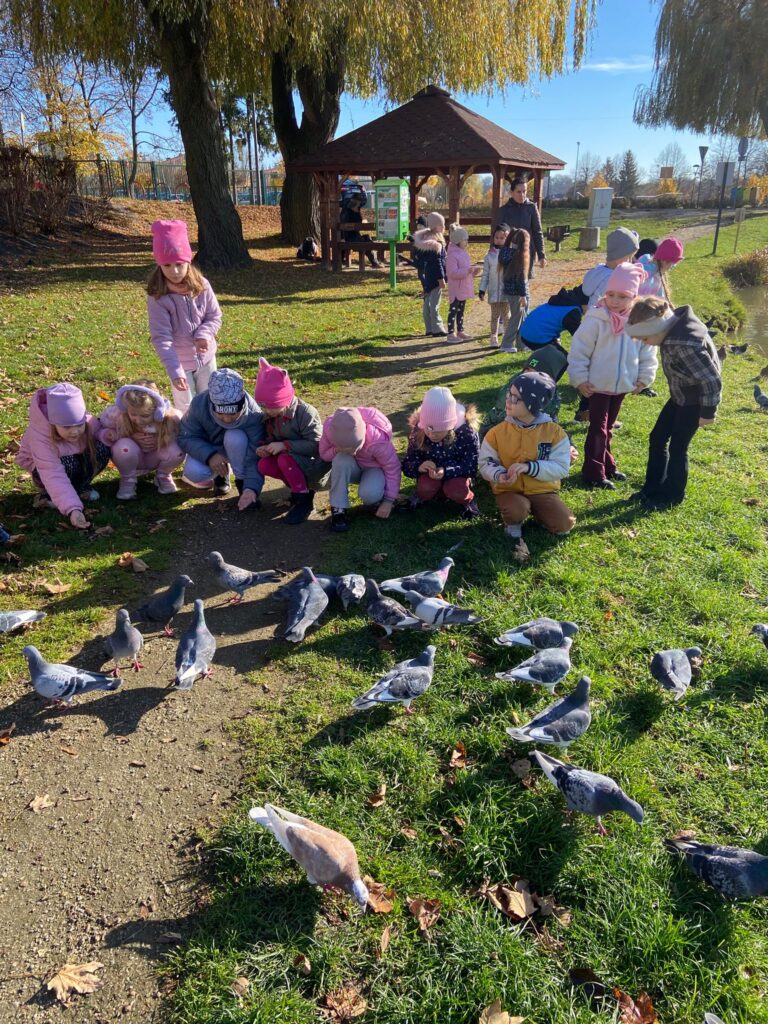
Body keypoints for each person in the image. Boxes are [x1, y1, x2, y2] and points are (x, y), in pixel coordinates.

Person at [626, 297, 722, 511]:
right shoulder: (672, 324)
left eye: (644, 338)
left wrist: (708, 411)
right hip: (680, 394)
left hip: (694, 401)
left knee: (679, 447)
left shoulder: (684, 344)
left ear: (657, 328)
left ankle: (671, 495)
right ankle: (652, 488)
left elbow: (711, 379)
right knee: (657, 437)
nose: (644, 342)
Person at [568, 263, 657, 489]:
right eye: (611, 295)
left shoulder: (638, 322)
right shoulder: (596, 319)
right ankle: (593, 473)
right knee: (598, 427)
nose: (615, 301)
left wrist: (644, 377)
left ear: (634, 297)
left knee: (607, 427)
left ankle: (607, 464)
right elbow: (579, 350)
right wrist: (580, 378)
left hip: (622, 384)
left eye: (623, 296)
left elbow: (647, 350)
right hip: (597, 384)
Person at [478, 371, 575, 544]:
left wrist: (531, 467)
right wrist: (499, 474)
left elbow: (561, 468)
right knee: (516, 509)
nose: (508, 400)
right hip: (509, 489)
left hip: (542, 490)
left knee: (565, 525)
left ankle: (541, 513)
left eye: (515, 398)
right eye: (509, 394)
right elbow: (485, 462)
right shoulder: (497, 432)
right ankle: (513, 522)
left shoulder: (554, 432)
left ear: (533, 404)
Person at [146, 219, 222, 413]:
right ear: (159, 265)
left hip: (206, 358)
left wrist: (204, 334)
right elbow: (162, 338)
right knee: (186, 408)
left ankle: (211, 438)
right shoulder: (158, 296)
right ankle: (189, 440)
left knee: (210, 402)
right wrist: (175, 370)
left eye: (180, 264)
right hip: (179, 363)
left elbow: (214, 316)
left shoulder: (202, 285)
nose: (175, 271)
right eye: (167, 265)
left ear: (188, 261)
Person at [16, 382, 110, 530]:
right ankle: (50, 495)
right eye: (66, 427)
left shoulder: (87, 422)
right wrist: (73, 509)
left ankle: (81, 487)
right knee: (67, 463)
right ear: (54, 424)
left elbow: (100, 428)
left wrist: (107, 435)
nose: (74, 432)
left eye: (79, 425)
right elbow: (52, 473)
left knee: (102, 449)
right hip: (45, 471)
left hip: (73, 459)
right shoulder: (41, 437)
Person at [253, 358, 330, 526]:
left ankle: (304, 500)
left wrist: (285, 445)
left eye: (272, 407)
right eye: (264, 407)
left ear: (285, 400)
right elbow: (271, 437)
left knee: (284, 459)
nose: (267, 411)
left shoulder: (306, 413)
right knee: (264, 465)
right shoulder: (270, 416)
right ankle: (297, 488)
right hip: (290, 459)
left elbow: (316, 445)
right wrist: (265, 446)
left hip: (313, 463)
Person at [177, 368, 265, 510]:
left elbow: (255, 454)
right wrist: (210, 455)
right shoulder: (199, 404)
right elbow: (186, 436)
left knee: (235, 436)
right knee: (194, 472)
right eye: (221, 414)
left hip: (238, 448)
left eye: (233, 414)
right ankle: (220, 473)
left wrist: (251, 488)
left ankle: (242, 481)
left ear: (242, 404)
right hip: (210, 447)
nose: (227, 419)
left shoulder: (254, 414)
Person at [401, 386, 481, 519]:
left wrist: (446, 471)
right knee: (425, 487)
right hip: (430, 477)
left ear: (450, 426)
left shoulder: (466, 433)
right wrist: (419, 466)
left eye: (438, 431)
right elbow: (407, 463)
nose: (432, 434)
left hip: (457, 476)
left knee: (456, 489)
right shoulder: (418, 432)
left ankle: (468, 500)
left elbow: (471, 467)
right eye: (428, 429)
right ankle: (425, 495)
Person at [320, 407, 402, 533]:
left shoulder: (377, 439)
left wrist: (389, 500)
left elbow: (392, 468)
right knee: (340, 460)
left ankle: (377, 499)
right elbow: (324, 455)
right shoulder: (330, 430)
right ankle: (338, 508)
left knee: (369, 494)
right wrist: (337, 450)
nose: (352, 452)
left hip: (373, 469)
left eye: (355, 448)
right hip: (351, 467)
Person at [98, 380, 184, 500]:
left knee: (177, 451)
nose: (138, 420)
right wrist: (113, 435)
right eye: (133, 414)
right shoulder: (118, 416)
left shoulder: (170, 418)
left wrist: (161, 439)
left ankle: (163, 475)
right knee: (123, 447)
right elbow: (100, 430)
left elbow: (183, 435)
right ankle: (128, 479)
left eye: (144, 415)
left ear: (157, 411)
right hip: (131, 456)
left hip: (156, 455)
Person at [581, 227, 640, 308]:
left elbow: (587, 291)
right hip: (605, 317)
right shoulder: (613, 278)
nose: (630, 261)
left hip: (594, 316)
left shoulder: (599, 271)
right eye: (629, 257)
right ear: (618, 255)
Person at [497, 177, 546, 272]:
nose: (522, 195)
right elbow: (497, 233)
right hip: (509, 252)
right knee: (509, 283)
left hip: (527, 252)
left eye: (524, 191)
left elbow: (537, 232)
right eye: (519, 192)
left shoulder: (531, 208)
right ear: (511, 193)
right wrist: (494, 253)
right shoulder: (503, 210)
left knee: (524, 284)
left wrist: (541, 255)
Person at [412, 213, 448, 336]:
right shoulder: (435, 244)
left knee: (427, 301)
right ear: (436, 226)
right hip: (435, 277)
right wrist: (441, 278)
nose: (444, 227)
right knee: (434, 303)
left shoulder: (424, 241)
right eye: (442, 225)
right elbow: (438, 262)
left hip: (427, 276)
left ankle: (429, 327)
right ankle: (437, 328)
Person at [445, 224, 480, 342]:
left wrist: (473, 272)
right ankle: (450, 333)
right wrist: (467, 271)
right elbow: (452, 273)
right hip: (456, 289)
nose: (466, 242)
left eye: (466, 240)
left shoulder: (464, 253)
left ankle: (460, 330)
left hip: (463, 288)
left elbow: (465, 270)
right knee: (453, 310)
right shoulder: (452, 255)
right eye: (464, 240)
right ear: (457, 241)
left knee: (461, 311)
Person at [498, 227, 530, 353]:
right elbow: (520, 277)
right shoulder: (520, 256)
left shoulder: (505, 252)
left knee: (520, 317)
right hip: (517, 292)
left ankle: (521, 344)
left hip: (509, 290)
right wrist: (523, 295)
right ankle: (506, 344)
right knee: (516, 318)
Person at [478, 223, 511, 346]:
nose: (499, 240)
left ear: (507, 238)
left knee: (507, 316)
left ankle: (507, 339)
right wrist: (482, 290)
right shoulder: (489, 256)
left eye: (502, 238)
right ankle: (493, 337)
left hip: (506, 292)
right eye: (496, 237)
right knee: (495, 316)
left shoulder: (510, 254)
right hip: (493, 293)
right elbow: (485, 274)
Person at [341, 192, 382, 267]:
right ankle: (374, 262)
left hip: (356, 234)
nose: (359, 203)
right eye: (358, 201)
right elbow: (343, 225)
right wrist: (342, 238)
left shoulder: (358, 210)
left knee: (367, 238)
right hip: (349, 237)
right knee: (365, 242)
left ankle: (374, 262)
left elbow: (359, 222)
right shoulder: (346, 211)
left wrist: (363, 221)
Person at [637, 237, 684, 302]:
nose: (672, 267)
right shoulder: (650, 279)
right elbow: (658, 301)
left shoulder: (655, 270)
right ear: (665, 261)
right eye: (673, 264)